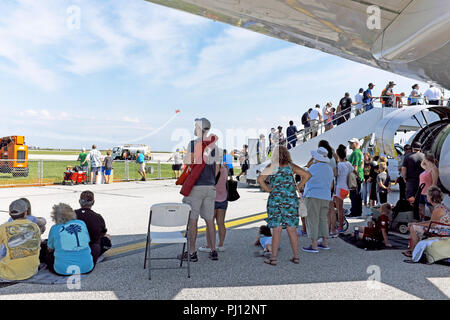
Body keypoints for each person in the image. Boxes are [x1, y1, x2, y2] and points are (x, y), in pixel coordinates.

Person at [258, 146, 311, 265]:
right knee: (291, 229)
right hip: (290, 201)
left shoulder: (272, 166)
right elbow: (307, 175)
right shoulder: (291, 166)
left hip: (275, 200)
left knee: (276, 230)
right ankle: (296, 257)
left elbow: (260, 179)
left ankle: (273, 258)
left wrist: (268, 189)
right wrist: (299, 185)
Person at [179, 118, 220, 262]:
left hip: (195, 187)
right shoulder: (215, 146)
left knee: (193, 220)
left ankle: (192, 252)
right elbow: (216, 168)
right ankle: (213, 250)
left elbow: (187, 162)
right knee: (210, 220)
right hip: (210, 186)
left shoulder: (193, 144)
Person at [44, 203, 94, 275]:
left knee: (47, 255)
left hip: (63, 270)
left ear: (54, 216)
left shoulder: (55, 228)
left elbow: (50, 248)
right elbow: (87, 240)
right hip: (87, 268)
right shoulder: (81, 223)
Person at [302, 147, 334, 253]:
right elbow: (331, 184)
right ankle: (325, 242)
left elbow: (306, 180)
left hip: (313, 195)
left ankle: (314, 244)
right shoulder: (329, 168)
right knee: (323, 219)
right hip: (325, 196)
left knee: (312, 219)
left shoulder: (313, 167)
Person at [0, 199, 41, 281]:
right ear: (25, 212)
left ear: (10, 214)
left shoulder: (3, 228)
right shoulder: (35, 226)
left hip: (8, 274)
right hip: (32, 271)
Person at [403, 186, 449, 257]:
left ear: (431, 198)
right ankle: (414, 249)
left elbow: (432, 224)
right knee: (415, 225)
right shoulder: (441, 206)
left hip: (443, 230)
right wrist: (418, 224)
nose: (426, 197)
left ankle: (414, 251)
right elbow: (432, 222)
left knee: (413, 227)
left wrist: (416, 224)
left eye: (427, 195)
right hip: (444, 228)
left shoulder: (438, 209)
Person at [199, 155, 228, 253]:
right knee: (221, 223)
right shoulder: (225, 169)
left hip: (212, 199)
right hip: (223, 198)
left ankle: (209, 245)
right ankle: (221, 245)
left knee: (210, 224)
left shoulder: (210, 171)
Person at [75, 191, 111, 264]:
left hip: (73, 247)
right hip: (91, 249)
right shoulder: (98, 217)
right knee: (108, 237)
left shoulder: (71, 214)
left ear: (79, 201)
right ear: (93, 202)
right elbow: (103, 233)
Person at [334, 145, 353, 234]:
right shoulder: (348, 164)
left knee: (339, 209)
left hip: (339, 188)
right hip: (346, 188)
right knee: (339, 207)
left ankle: (340, 226)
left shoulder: (339, 165)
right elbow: (353, 172)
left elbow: (335, 175)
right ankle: (345, 211)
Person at [418, 153, 439, 220]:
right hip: (421, 192)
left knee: (431, 208)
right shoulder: (427, 168)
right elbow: (421, 164)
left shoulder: (434, 169)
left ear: (427, 159)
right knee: (421, 207)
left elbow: (434, 183)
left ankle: (435, 221)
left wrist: (430, 193)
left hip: (428, 192)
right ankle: (423, 220)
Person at [348, 138, 364, 217]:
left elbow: (355, 167)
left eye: (351, 143)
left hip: (355, 177)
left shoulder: (356, 153)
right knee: (357, 195)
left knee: (354, 195)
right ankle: (357, 211)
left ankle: (354, 212)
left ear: (356, 143)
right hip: (359, 176)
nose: (350, 145)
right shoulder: (360, 152)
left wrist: (356, 176)